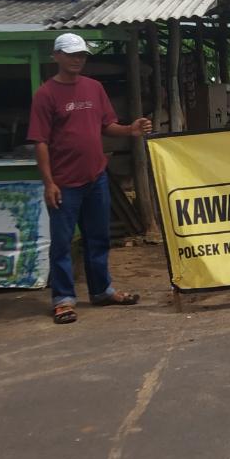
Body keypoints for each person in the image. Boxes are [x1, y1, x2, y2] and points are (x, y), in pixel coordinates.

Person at [27, 33, 152, 323]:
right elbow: (40, 141)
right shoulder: (45, 94)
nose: (77, 59)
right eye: (72, 54)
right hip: (64, 183)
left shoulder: (94, 88)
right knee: (62, 244)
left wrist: (130, 129)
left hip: (96, 178)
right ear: (56, 56)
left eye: (81, 54)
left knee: (98, 238)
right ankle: (63, 299)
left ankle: (101, 291)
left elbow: (107, 125)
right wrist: (49, 183)